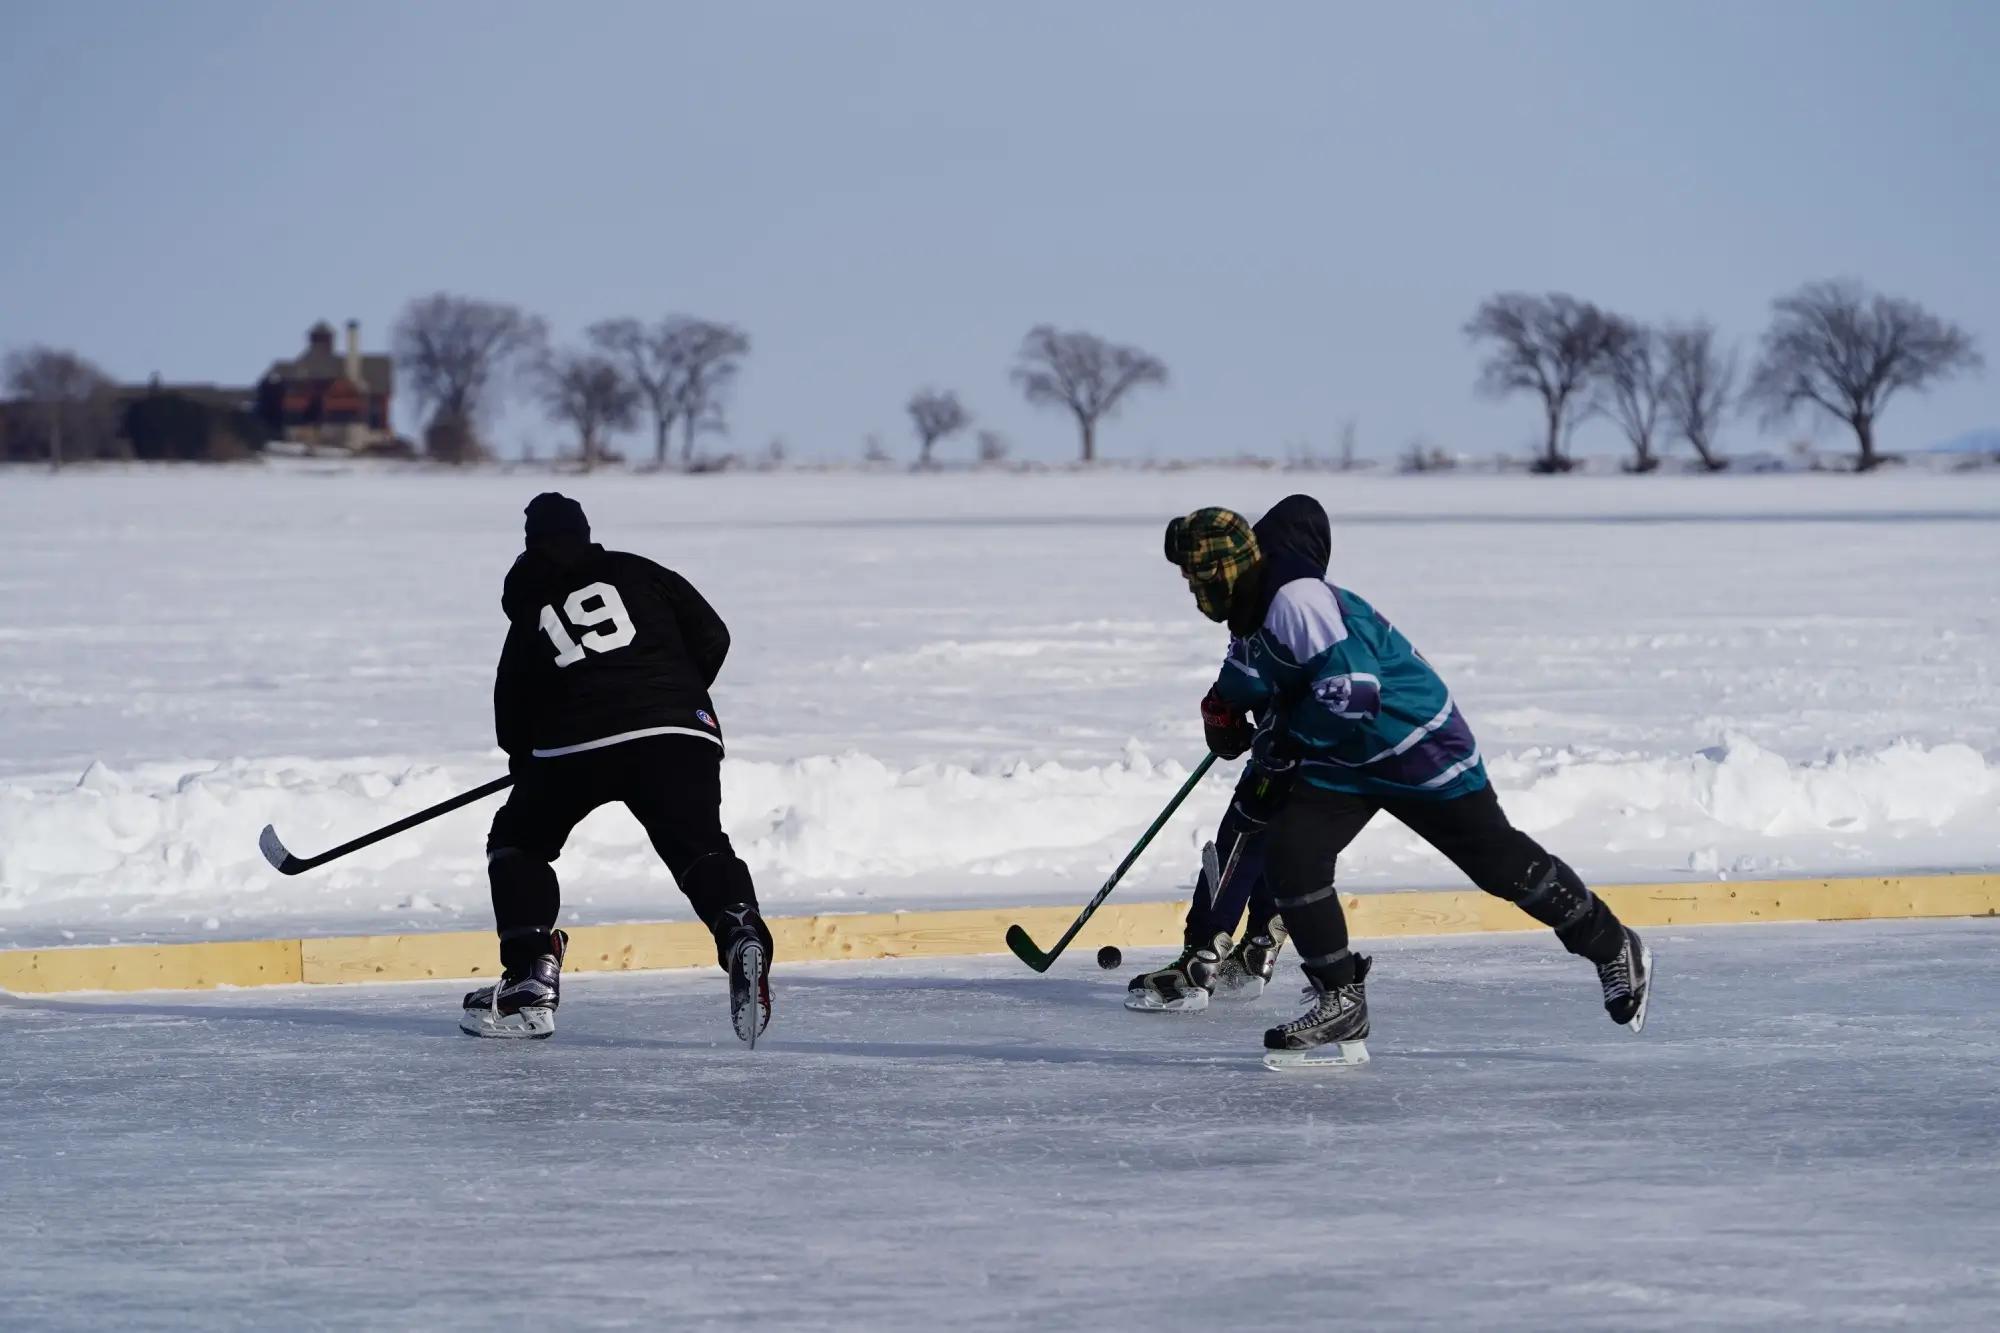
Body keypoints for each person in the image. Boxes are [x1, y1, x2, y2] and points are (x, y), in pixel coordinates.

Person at [1162, 499, 1652, 1065]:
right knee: (1293, 855)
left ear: (1222, 571)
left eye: (1194, 576)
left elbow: (1357, 689)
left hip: (1414, 742)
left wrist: (1287, 740)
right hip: (1344, 757)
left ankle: (1612, 943)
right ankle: (1340, 999)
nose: (1191, 590)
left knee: (1498, 865)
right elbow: (1248, 673)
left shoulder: (1297, 601)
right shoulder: (1251, 612)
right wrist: (1221, 710)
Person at [460, 493, 773, 1043]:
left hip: (572, 747)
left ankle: (532, 972)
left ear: (531, 546)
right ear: (585, 533)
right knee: (698, 846)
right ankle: (738, 928)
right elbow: (714, 635)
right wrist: (674, 698)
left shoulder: (533, 610)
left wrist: (528, 764)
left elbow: (510, 711)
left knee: (518, 842)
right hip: (679, 735)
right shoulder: (639, 570)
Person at [1125, 495, 1333, 1013]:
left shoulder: (1276, 597)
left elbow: (1245, 671)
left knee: (1242, 835)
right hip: (1329, 760)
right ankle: (1259, 949)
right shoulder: (1308, 594)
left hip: (1290, 751)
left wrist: (1220, 710)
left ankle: (1200, 961)